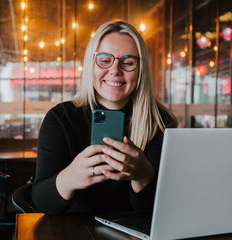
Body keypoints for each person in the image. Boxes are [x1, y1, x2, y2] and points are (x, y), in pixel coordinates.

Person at [32, 21, 177, 215]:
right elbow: (42, 204)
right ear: (91, 64)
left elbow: (162, 212)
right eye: (105, 59)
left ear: (140, 70)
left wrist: (143, 176)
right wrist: (70, 178)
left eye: (128, 62)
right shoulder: (60, 118)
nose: (115, 70)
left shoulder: (161, 122)